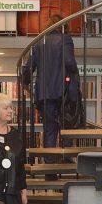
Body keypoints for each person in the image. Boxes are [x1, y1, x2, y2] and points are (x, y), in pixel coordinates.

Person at [21, 14, 78, 148]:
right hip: (64, 94)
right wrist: (74, 71)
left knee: (49, 131)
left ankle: (49, 159)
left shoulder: (39, 42)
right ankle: (66, 157)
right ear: (64, 26)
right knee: (66, 128)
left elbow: (28, 68)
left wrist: (25, 82)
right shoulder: (65, 39)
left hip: (45, 96)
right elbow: (70, 62)